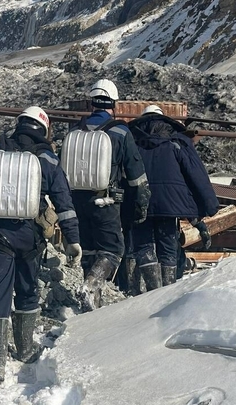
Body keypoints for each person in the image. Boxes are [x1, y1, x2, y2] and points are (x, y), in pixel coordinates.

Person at [0, 106, 82, 384]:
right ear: (44, 129)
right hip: (31, 237)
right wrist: (73, 240)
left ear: (19, 125)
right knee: (27, 291)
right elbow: (64, 202)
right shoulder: (47, 159)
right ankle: (25, 349)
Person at [67, 79, 150, 307]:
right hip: (105, 200)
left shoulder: (75, 130)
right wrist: (141, 206)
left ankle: (93, 302)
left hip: (76, 201)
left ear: (91, 101)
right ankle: (90, 286)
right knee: (113, 249)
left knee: (91, 250)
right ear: (113, 103)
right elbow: (136, 176)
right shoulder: (120, 132)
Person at [126, 104, 218, 291]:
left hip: (139, 200)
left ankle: (151, 291)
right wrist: (209, 205)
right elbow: (196, 174)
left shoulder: (132, 141)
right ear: (163, 119)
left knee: (143, 245)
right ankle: (166, 290)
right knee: (167, 245)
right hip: (170, 204)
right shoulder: (177, 141)